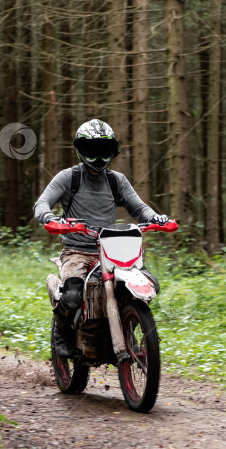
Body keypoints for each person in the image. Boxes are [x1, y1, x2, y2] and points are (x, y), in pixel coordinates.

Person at [33, 119, 168, 358]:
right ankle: (61, 335)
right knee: (73, 293)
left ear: (112, 151)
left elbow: (139, 208)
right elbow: (42, 203)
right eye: (91, 150)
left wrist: (156, 217)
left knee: (147, 284)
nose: (98, 157)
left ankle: (129, 330)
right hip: (77, 251)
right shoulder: (69, 178)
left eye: (103, 151)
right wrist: (49, 217)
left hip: (114, 251)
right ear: (80, 149)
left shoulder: (116, 180)